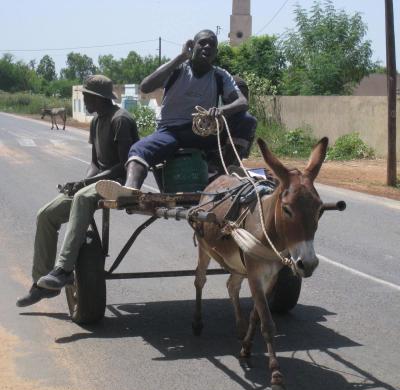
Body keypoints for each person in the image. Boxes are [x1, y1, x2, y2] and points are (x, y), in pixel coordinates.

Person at [16, 75, 139, 306]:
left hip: (121, 182)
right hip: (99, 182)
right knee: (46, 214)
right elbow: (95, 163)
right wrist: (81, 182)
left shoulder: (120, 119)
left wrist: (84, 187)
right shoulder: (96, 121)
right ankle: (40, 284)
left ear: (98, 98)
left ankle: (63, 269)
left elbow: (124, 165)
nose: (83, 99)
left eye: (86, 96)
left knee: (82, 197)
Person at [95, 29, 256, 199]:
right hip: (170, 132)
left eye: (212, 45)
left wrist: (222, 110)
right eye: (202, 42)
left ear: (215, 53)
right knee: (139, 149)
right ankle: (130, 190)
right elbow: (145, 87)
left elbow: (242, 102)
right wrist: (180, 57)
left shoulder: (220, 76)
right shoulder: (177, 69)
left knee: (246, 119)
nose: (207, 46)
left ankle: (226, 174)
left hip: (202, 133)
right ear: (191, 46)